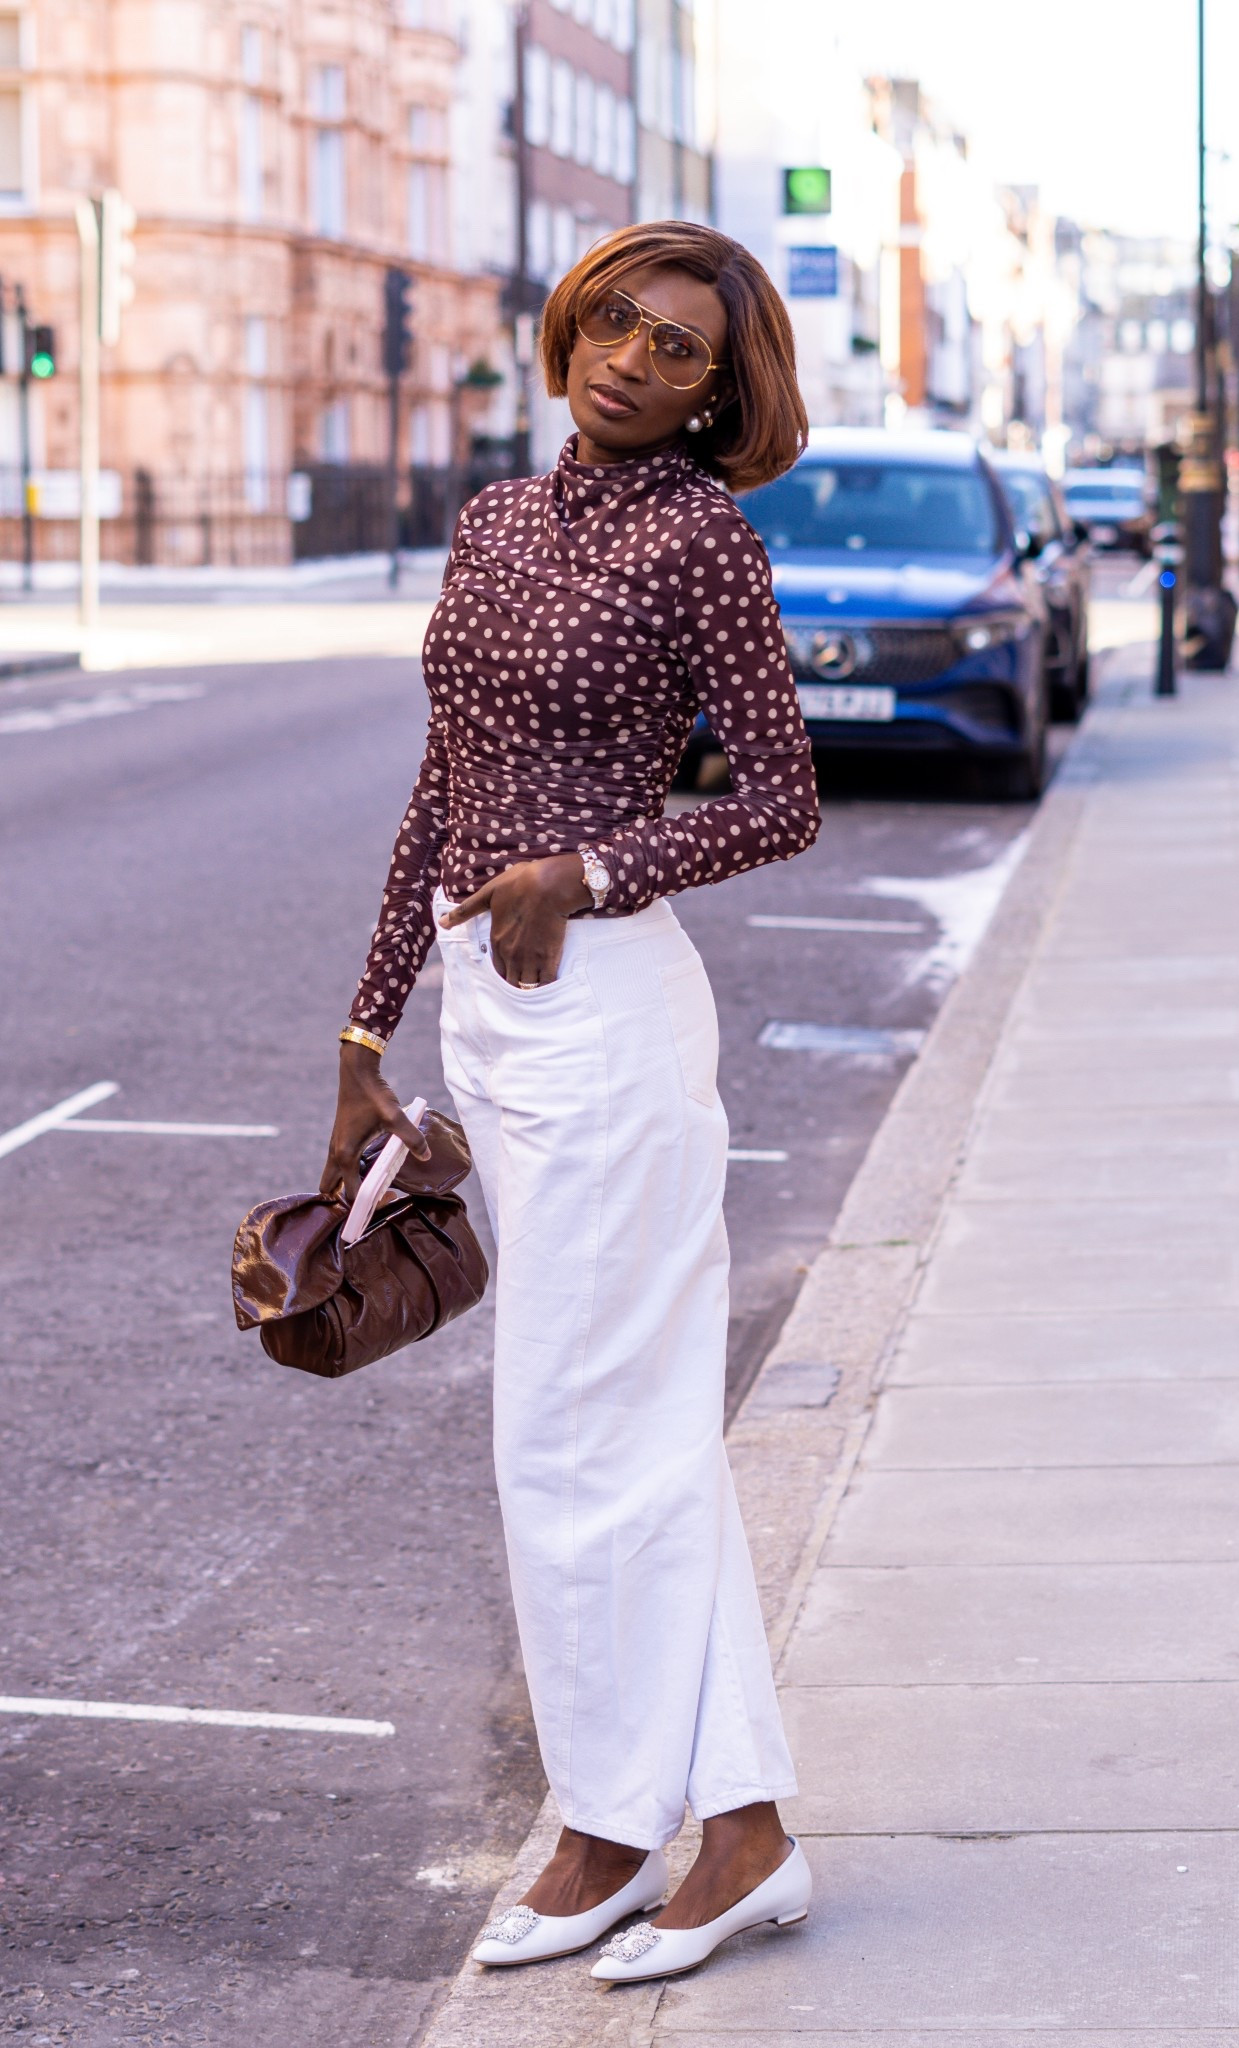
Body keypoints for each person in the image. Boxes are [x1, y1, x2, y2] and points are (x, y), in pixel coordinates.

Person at [322, 220, 820, 1984]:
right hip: (489, 1022)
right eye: (617, 320)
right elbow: (439, 774)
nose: (631, 355)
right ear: (571, 324)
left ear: (719, 395)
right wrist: (369, 1032)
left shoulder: (701, 541)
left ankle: (652, 1819)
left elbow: (782, 797)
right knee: (586, 1429)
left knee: (582, 1426)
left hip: (606, 1013)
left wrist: (592, 867)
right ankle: (691, 1816)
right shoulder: (494, 521)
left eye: (679, 348)